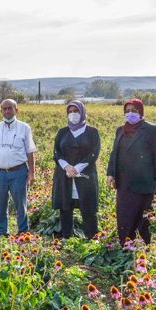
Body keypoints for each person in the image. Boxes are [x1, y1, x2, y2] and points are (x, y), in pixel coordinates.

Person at [106, 98, 156, 245]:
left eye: (134, 110)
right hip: (124, 181)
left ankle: (142, 246)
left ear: (141, 112)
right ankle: (125, 245)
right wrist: (110, 173)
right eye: (127, 111)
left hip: (144, 180)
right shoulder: (120, 130)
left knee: (142, 215)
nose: (130, 114)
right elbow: (114, 153)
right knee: (125, 215)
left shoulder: (152, 129)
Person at [0, 99, 37, 236]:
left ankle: (23, 232)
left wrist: (32, 173)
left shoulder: (24, 127)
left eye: (10, 108)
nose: (7, 111)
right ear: (1, 111)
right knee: (1, 203)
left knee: (21, 203)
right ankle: (1, 232)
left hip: (18, 172)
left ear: (16, 110)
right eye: (4, 109)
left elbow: (30, 151)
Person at [52, 100, 100, 239]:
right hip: (64, 174)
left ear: (82, 112)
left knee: (88, 209)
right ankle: (67, 238)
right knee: (65, 207)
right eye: (70, 112)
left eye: (76, 111)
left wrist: (77, 169)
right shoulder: (62, 132)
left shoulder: (92, 132)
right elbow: (57, 152)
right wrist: (67, 167)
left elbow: (93, 153)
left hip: (85, 175)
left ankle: (91, 239)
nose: (73, 114)